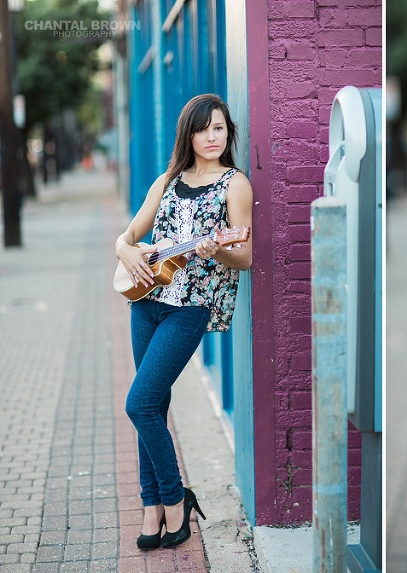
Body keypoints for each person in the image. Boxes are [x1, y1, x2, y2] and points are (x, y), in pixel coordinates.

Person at [114, 94, 253, 550]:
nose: (212, 137)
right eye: (203, 128)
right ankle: (150, 510)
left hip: (189, 308)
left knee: (139, 404)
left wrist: (219, 250)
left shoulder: (235, 184)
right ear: (188, 134)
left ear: (227, 132)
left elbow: (246, 255)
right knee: (153, 408)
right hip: (147, 300)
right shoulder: (168, 180)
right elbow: (129, 235)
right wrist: (127, 250)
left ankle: (176, 501)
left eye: (219, 128)